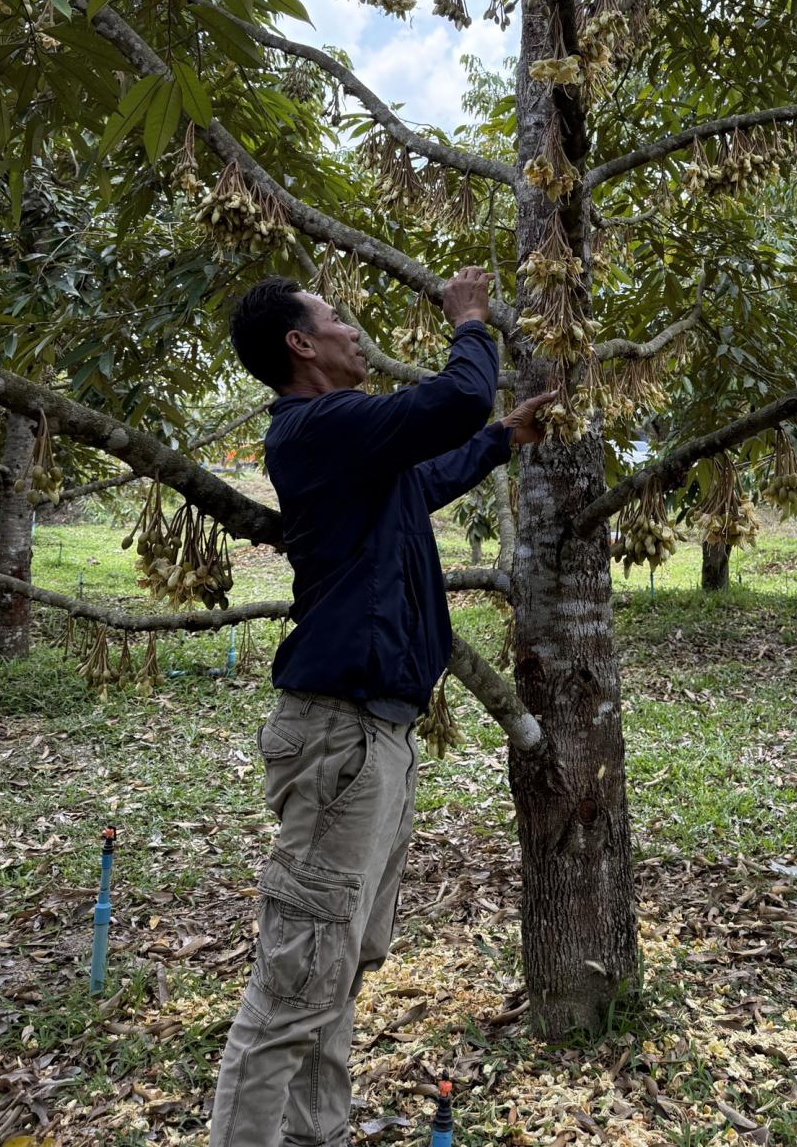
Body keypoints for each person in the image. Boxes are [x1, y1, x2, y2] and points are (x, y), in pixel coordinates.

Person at [210, 268, 552, 1147]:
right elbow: (449, 400)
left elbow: (425, 476)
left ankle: (313, 1136)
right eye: (338, 320)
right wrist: (469, 321)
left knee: (337, 968)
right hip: (338, 737)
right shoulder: (316, 426)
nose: (354, 332)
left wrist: (502, 440)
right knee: (293, 987)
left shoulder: (354, 451)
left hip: (378, 737)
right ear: (301, 344)